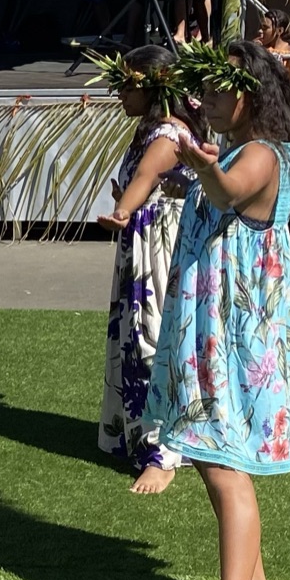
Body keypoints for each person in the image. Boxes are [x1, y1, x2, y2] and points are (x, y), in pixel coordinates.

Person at [147, 40, 290, 580]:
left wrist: (201, 166)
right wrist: (194, 170)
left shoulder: (258, 155)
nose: (208, 101)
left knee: (226, 468)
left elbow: (229, 191)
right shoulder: (241, 148)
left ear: (251, 96)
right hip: (219, 328)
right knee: (212, 457)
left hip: (236, 338)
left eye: (219, 91)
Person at [90, 45, 202, 494]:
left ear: (153, 87)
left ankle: (164, 453)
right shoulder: (150, 129)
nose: (119, 93)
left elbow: (145, 180)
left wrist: (123, 210)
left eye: (126, 84)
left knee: (153, 336)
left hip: (159, 246)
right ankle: (134, 432)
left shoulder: (169, 135)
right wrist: (126, 207)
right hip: (140, 241)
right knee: (134, 336)